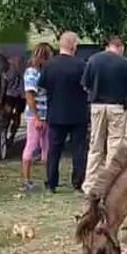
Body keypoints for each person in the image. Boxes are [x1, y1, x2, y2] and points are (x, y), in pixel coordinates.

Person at [38, 32, 89, 193]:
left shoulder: (49, 65)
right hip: (78, 114)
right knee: (79, 149)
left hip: (56, 113)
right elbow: (87, 87)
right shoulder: (81, 65)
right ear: (74, 46)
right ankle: (78, 181)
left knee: (54, 150)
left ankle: (52, 182)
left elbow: (42, 87)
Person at [81, 35, 127, 194]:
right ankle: (110, 183)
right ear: (120, 47)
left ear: (107, 46)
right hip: (116, 106)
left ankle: (90, 183)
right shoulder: (125, 63)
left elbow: (85, 84)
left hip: (97, 106)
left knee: (95, 145)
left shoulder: (93, 60)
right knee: (115, 145)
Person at [20, 43, 54, 193]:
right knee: (32, 145)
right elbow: (29, 96)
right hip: (37, 115)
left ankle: (49, 179)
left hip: (47, 114)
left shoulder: (44, 72)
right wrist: (37, 117)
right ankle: (26, 180)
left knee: (47, 147)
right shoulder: (31, 73)